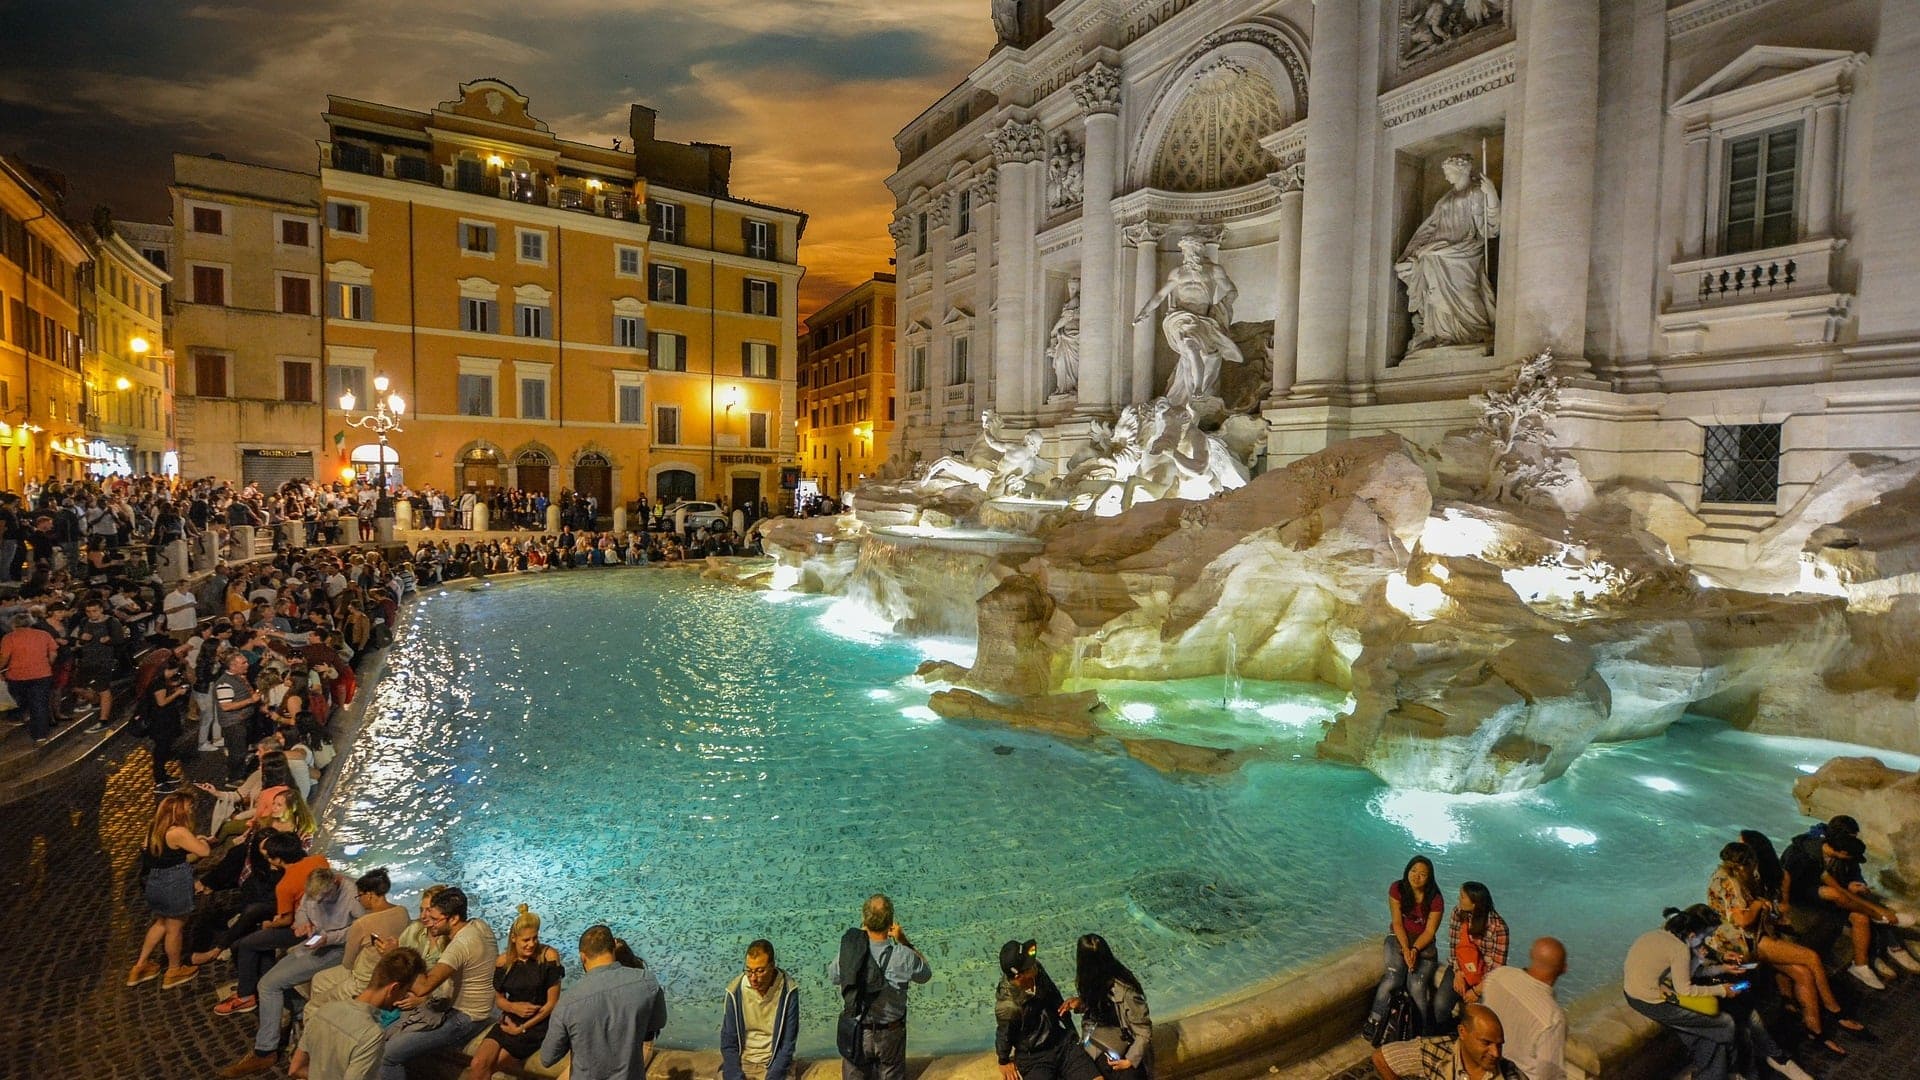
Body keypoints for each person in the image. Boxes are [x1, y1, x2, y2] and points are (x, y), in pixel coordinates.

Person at [1706, 840, 1860, 1056]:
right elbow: (1741, 920)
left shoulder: (1730, 876)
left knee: (1804, 974)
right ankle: (1836, 1011)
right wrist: (1760, 905)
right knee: (1811, 958)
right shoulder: (1730, 883)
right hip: (1744, 944)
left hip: (1751, 939)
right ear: (1747, 863)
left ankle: (1816, 1031)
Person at [220, 866, 367, 1077]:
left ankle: (265, 1051)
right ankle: (299, 1012)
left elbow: (360, 928)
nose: (318, 902)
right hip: (315, 942)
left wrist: (330, 938)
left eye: (323, 898)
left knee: (268, 984)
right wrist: (302, 925)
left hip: (337, 949)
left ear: (335, 883)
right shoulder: (314, 891)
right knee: (272, 979)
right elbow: (302, 911)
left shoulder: (351, 894)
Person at [380, 887, 497, 1079]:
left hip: (466, 1018)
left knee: (388, 1055)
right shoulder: (479, 926)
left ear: (453, 919)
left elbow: (422, 988)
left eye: (436, 919)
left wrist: (395, 955)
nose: (430, 924)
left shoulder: (460, 945)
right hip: (473, 1008)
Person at [1622, 905, 1743, 1080]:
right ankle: (1728, 1071)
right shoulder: (1679, 950)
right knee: (1725, 1024)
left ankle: (1711, 1074)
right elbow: (1685, 989)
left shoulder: (1659, 935)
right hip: (1650, 1001)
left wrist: (1722, 965)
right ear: (1692, 935)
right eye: (1707, 936)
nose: (1708, 940)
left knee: (1704, 1036)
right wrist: (1722, 990)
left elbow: (1688, 971)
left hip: (1632, 992)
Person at [539, 923, 668, 1080]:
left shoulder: (567, 1003)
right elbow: (657, 1024)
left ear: (582, 956)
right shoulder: (647, 982)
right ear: (614, 946)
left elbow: (547, 1058)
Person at [829, 894, 933, 1080]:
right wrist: (904, 941)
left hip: (857, 1031)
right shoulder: (904, 956)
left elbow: (834, 976)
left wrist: (859, 940)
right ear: (891, 922)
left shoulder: (850, 953)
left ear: (864, 920)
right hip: (890, 1033)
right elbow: (925, 974)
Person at [287, 947, 427, 1080]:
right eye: (406, 990)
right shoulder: (371, 1033)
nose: (405, 996)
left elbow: (295, 1068)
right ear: (394, 988)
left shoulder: (324, 1010)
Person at [467, 904, 564, 1080]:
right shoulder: (503, 963)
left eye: (535, 938)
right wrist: (513, 1007)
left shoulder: (548, 958)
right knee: (478, 1064)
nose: (532, 944)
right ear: (514, 938)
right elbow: (499, 1000)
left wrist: (522, 1029)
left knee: (497, 1063)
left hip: (538, 1024)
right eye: (526, 940)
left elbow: (552, 1004)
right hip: (511, 1018)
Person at [128, 792, 212, 990]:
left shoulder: (154, 829)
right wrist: (203, 841)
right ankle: (174, 970)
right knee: (175, 928)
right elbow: (204, 852)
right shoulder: (178, 832)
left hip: (154, 881)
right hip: (174, 881)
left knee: (161, 922)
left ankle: (140, 966)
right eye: (190, 807)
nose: (192, 810)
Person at [991, 939, 1098, 1080]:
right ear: (1018, 976)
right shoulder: (1008, 1006)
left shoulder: (1036, 970)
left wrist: (1071, 1031)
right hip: (1034, 1058)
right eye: (1029, 966)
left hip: (1061, 1041)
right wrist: (1003, 1060)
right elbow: (1004, 1033)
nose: (1034, 965)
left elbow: (1055, 997)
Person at [309, 869, 413, 1008]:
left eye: (359, 896)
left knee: (313, 1004)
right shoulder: (402, 911)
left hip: (365, 980)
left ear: (369, 895)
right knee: (319, 979)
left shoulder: (363, 923)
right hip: (391, 973)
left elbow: (348, 963)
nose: (359, 900)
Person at [1366, 856, 1444, 1041]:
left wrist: (1414, 950)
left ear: (1429, 878)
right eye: (1413, 871)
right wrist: (1406, 948)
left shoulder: (1435, 899)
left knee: (1417, 986)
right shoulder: (1397, 889)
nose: (1416, 877)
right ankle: (1374, 1020)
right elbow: (1397, 923)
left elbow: (1430, 931)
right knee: (1393, 976)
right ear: (1407, 871)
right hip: (1398, 938)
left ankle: (1422, 1032)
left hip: (1424, 945)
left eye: (1422, 874)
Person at [1064, 933, 1151, 1079]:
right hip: (1096, 1042)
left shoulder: (1126, 991)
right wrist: (1080, 1003)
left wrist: (1129, 1060)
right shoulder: (1092, 981)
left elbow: (1143, 1030)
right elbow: (1099, 1006)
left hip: (1121, 1047)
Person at [1479, 938, 1567, 1080]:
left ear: (1531, 955)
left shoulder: (1499, 975)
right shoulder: (1552, 1017)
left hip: (1483, 1067)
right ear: (1564, 969)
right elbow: (1549, 1074)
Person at [1371, 1003, 1525, 1080]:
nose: (1496, 1053)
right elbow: (1381, 1057)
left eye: (1500, 1044)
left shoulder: (1512, 1075)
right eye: (1486, 1043)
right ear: (1462, 1032)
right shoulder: (1435, 1052)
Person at [1430, 882, 1508, 1033]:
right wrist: (1458, 972)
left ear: (1475, 903)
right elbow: (1454, 947)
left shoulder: (1498, 928)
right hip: (1461, 967)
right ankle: (1446, 1035)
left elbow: (1496, 969)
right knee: (1440, 1004)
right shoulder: (1458, 913)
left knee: (1479, 1017)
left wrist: (1477, 991)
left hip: (1485, 977)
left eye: (1462, 897)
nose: (1459, 899)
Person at [721, 939, 800, 1080]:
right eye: (749, 970)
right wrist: (736, 1076)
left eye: (759, 971)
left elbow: (788, 1045)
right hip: (743, 1062)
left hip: (773, 1063)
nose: (753, 978)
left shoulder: (788, 991)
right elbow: (728, 1044)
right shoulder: (735, 991)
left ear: (772, 966)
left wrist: (773, 1076)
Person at [0, 612, 59, 744]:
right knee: (39, 704)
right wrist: (47, 664)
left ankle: (21, 717)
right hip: (42, 674)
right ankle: (40, 735)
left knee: (20, 700)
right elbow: (53, 653)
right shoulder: (44, 635)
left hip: (17, 676)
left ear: (14, 624)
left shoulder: (9, 637)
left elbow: (4, 658)